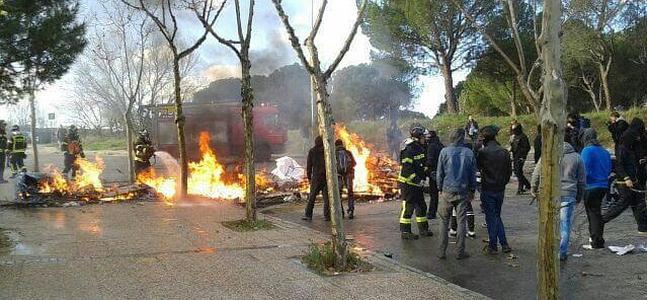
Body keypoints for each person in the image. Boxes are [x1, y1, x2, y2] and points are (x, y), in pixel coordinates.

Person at [531, 136, 586, 261]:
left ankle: (548, 250)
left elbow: (537, 173)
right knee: (564, 224)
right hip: (569, 194)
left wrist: (533, 189)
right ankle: (562, 252)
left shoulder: (548, 155)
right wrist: (579, 196)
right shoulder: (577, 157)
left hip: (549, 194)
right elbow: (582, 180)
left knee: (549, 223)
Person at [437, 128, 477, 260]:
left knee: (443, 221)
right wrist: (472, 190)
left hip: (447, 191)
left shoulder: (444, 151)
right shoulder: (469, 153)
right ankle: (460, 252)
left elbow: (440, 172)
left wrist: (439, 188)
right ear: (462, 137)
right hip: (463, 192)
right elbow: (472, 174)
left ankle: (441, 252)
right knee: (461, 222)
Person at [602, 118, 647, 234]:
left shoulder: (630, 146)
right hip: (625, 181)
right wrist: (626, 178)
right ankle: (601, 220)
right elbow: (619, 165)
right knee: (623, 204)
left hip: (633, 178)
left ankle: (643, 227)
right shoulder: (623, 147)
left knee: (638, 203)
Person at [477, 126, 513, 254]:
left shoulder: (483, 153)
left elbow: (478, 168)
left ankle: (493, 245)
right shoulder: (504, 152)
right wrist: (503, 183)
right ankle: (504, 244)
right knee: (496, 216)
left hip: (488, 188)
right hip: (500, 189)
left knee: (491, 217)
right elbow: (509, 171)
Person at [398, 125, 433, 240]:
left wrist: (427, 173)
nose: (425, 139)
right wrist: (419, 181)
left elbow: (421, 165)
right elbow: (407, 169)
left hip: (417, 184)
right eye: (423, 136)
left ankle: (423, 229)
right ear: (417, 137)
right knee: (408, 208)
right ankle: (405, 232)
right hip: (408, 184)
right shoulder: (409, 150)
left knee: (421, 206)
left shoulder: (420, 148)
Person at [580, 128, 612, 249]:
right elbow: (609, 169)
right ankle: (597, 237)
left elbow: (584, 169)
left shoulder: (587, 150)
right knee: (597, 212)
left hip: (590, 186)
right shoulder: (604, 151)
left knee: (592, 213)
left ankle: (596, 240)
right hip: (603, 185)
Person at [303, 136, 329, 221]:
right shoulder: (326, 150)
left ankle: (308, 215)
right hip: (325, 177)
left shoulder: (312, 151)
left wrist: (309, 177)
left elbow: (309, 165)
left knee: (312, 197)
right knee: (326, 198)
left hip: (316, 177)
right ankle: (327, 216)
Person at [335, 139, 356, 219]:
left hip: (338, 176)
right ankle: (351, 210)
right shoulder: (348, 153)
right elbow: (354, 163)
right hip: (348, 175)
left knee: (338, 194)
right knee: (350, 193)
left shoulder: (334, 154)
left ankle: (341, 212)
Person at [425, 130, 443, 220]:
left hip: (434, 173)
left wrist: (426, 169)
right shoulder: (440, 145)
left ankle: (432, 213)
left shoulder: (431, 146)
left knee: (434, 194)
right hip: (442, 172)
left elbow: (430, 161)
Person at [510, 123, 531, 194]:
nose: (514, 131)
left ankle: (520, 188)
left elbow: (527, 147)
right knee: (517, 172)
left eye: (515, 129)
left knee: (518, 172)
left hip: (520, 157)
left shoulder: (523, 137)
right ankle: (527, 185)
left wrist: (523, 156)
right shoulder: (514, 137)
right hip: (515, 156)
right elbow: (513, 146)